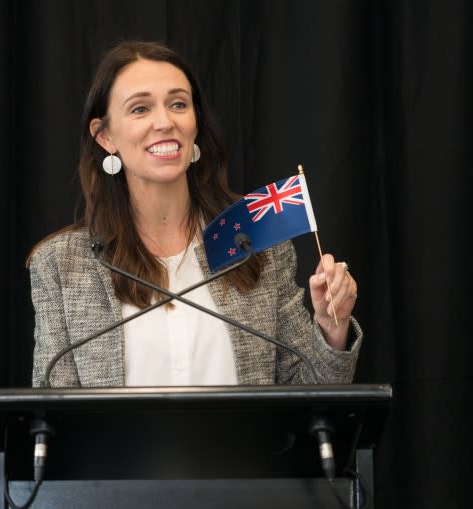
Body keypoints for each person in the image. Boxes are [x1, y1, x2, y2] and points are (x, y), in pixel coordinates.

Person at [29, 40, 362, 388]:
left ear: (195, 123)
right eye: (140, 109)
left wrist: (330, 328)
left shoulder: (257, 241)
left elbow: (309, 400)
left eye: (178, 104)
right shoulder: (60, 265)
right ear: (105, 136)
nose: (164, 122)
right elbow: (51, 417)